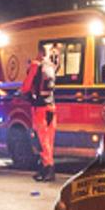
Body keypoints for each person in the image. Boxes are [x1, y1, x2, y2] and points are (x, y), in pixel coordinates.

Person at [25, 45, 59, 181]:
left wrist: (25, 93)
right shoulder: (51, 66)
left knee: (42, 141)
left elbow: (26, 86)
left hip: (40, 109)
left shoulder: (35, 66)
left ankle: (48, 169)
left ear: (39, 52)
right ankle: (46, 169)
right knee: (49, 141)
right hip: (52, 107)